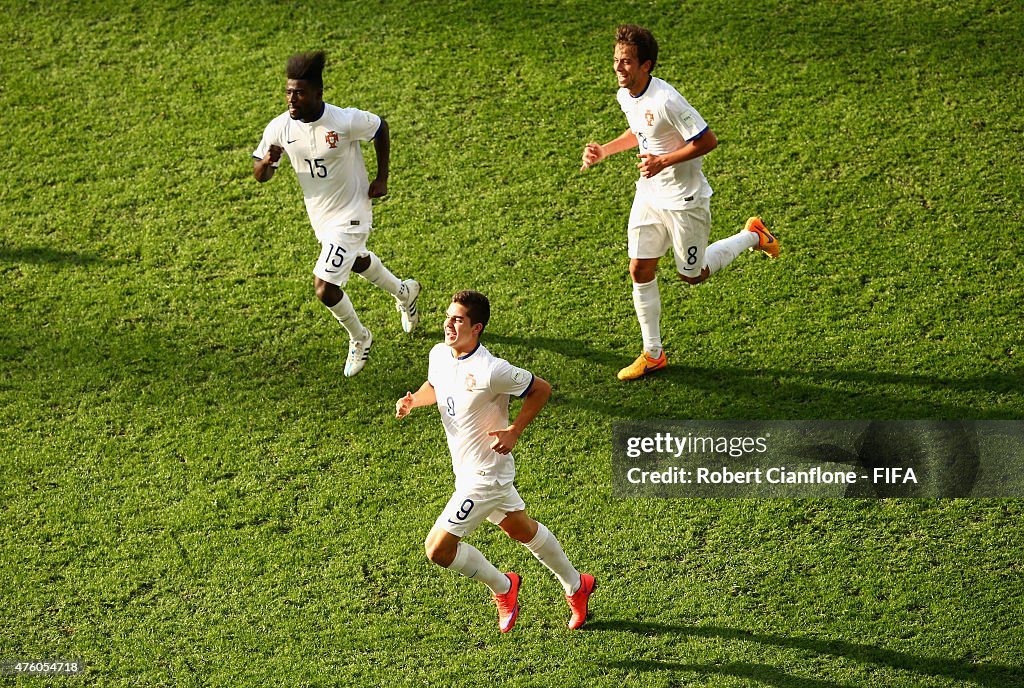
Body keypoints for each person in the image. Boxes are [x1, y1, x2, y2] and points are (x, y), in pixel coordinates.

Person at [581, 25, 780, 381]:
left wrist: (663, 161)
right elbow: (640, 130)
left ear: (647, 65)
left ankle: (753, 234)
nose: (618, 68)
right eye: (616, 61)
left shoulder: (667, 100)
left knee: (694, 275)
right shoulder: (626, 95)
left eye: (626, 62)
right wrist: (605, 151)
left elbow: (707, 140)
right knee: (639, 269)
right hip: (649, 195)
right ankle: (653, 353)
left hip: (685, 201)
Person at [395, 290, 595, 632]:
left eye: (458, 319)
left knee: (438, 549)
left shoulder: (492, 370)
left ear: (477, 328)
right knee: (522, 530)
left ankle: (503, 586)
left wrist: (515, 430)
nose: (449, 324)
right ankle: (578, 585)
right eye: (448, 316)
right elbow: (436, 386)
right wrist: (414, 401)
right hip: (471, 472)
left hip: (484, 476)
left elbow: (541, 389)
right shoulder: (440, 355)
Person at [252, 50, 420, 377]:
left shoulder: (344, 121)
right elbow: (260, 176)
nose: (292, 99)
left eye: (299, 92)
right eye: (288, 91)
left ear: (318, 93)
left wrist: (382, 177)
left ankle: (360, 336)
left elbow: (380, 128)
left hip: (353, 213)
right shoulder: (279, 128)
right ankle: (405, 291)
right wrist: (267, 163)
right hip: (322, 219)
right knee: (355, 261)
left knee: (324, 286)